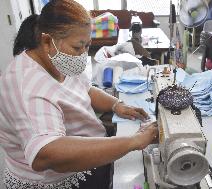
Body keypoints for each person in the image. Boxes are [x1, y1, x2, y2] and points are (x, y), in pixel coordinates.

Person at [0, 0, 158, 189]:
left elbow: (85, 89)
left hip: (85, 154)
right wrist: (133, 142)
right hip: (54, 180)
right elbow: (47, 153)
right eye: (77, 47)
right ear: (47, 40)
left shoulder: (58, 58)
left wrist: (116, 104)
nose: (83, 54)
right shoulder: (26, 85)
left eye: (87, 45)